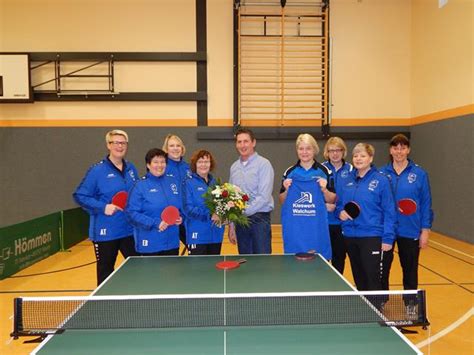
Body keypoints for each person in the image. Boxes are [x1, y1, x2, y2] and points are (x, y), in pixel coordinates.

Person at [73, 129, 138, 286]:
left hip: (129, 229)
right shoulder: (97, 171)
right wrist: (103, 207)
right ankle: (103, 306)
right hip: (106, 232)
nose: (119, 146)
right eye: (115, 142)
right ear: (108, 145)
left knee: (138, 267)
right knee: (105, 272)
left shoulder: (131, 169)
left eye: (123, 143)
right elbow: (80, 196)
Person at [380, 134, 433, 301]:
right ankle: (381, 301)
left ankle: (410, 303)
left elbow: (426, 203)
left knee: (410, 269)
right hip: (386, 230)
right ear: (390, 150)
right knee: (382, 268)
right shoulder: (381, 173)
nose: (399, 151)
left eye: (403, 148)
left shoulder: (420, 174)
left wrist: (425, 230)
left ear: (408, 150)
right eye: (396, 148)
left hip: (410, 229)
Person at [336, 143, 396, 291]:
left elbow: (389, 210)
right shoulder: (347, 181)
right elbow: (340, 204)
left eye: (362, 155)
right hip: (350, 236)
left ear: (370, 158)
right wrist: (340, 212)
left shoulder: (381, 180)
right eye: (355, 156)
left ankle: (376, 308)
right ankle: (365, 307)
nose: (358, 158)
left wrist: (388, 238)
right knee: (358, 275)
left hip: (372, 236)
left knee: (372, 276)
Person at [279, 133, 335, 259]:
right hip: (295, 230)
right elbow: (282, 200)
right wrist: (287, 190)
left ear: (314, 150)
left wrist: (324, 189)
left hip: (316, 229)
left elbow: (332, 199)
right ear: (297, 150)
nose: (304, 152)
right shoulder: (289, 172)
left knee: (318, 268)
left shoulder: (325, 171)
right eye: (301, 148)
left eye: (308, 148)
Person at [126, 148, 182, 255]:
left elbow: (179, 207)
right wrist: (155, 223)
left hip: (172, 243)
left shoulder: (173, 182)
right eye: (155, 162)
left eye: (162, 162)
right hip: (150, 244)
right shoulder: (139, 186)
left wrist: (179, 217)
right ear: (148, 165)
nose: (160, 165)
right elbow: (131, 213)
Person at [228, 127, 274, 254]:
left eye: (246, 141)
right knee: (245, 263)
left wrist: (242, 211)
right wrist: (232, 224)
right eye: (239, 142)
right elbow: (231, 197)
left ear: (253, 143)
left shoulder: (264, 165)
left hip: (259, 220)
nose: (242, 145)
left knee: (262, 263)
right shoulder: (234, 167)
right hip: (240, 222)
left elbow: (264, 197)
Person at [182, 150, 224, 255]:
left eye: (207, 161)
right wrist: (210, 215)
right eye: (200, 162)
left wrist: (225, 214)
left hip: (215, 235)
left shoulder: (215, 183)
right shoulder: (188, 183)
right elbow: (188, 209)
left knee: (214, 269)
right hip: (197, 235)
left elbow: (221, 206)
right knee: (198, 270)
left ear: (211, 164)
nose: (203, 165)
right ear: (195, 164)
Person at [322, 137, 353, 274]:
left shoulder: (352, 170)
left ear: (343, 151)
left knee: (339, 259)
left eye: (338, 150)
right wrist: (323, 205)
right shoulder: (320, 169)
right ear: (327, 152)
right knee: (323, 259)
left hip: (343, 223)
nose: (335, 153)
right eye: (331, 150)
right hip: (324, 222)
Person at [162, 134, 191, 252]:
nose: (175, 148)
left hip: (187, 218)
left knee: (195, 250)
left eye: (178, 145)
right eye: (172, 145)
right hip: (171, 219)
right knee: (171, 256)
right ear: (166, 149)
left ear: (182, 148)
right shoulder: (162, 167)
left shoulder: (188, 168)